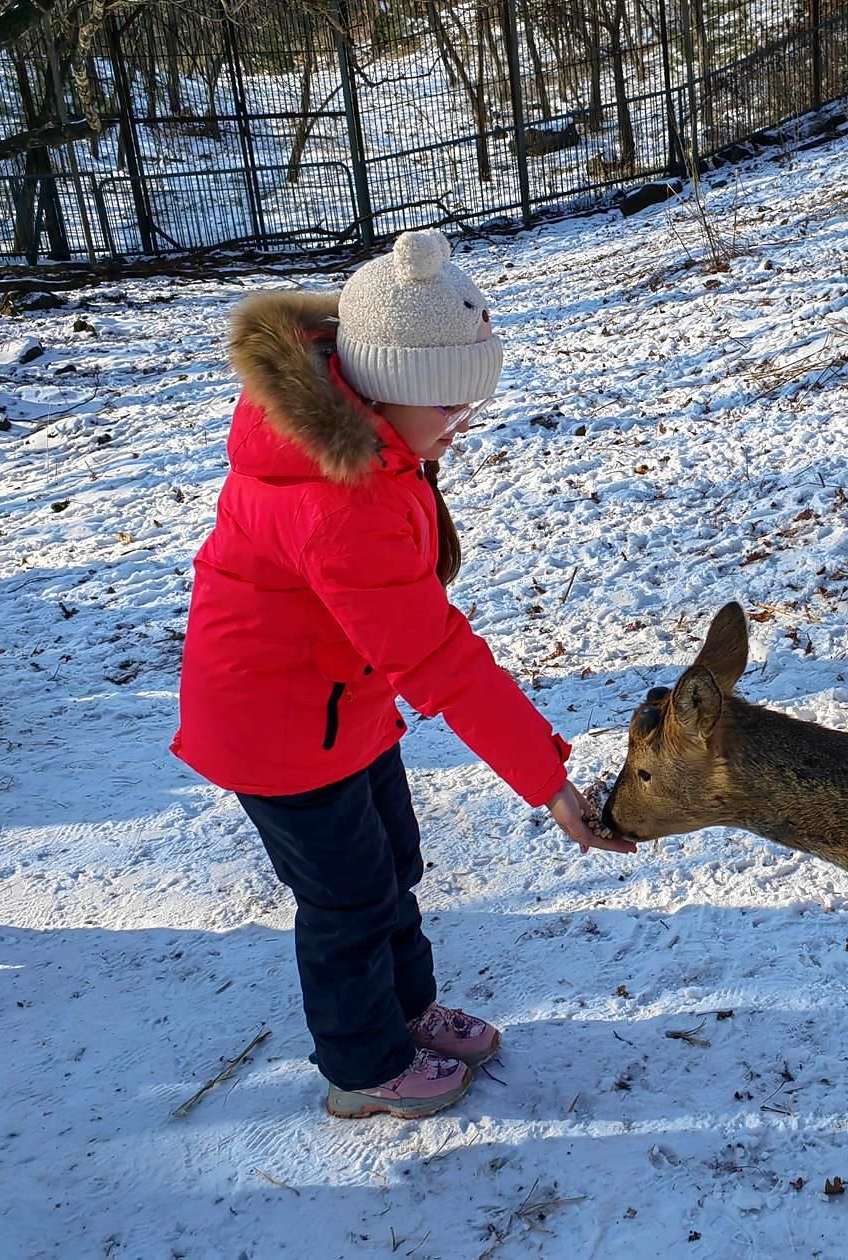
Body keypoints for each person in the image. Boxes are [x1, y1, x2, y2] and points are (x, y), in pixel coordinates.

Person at [172, 229, 634, 1119]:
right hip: (278, 729)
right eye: (450, 409)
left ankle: (409, 1011)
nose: (462, 428)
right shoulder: (339, 501)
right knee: (346, 899)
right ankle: (363, 1069)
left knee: (394, 865)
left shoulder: (373, 447)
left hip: (339, 704)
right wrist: (549, 783)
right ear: (386, 389)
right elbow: (439, 658)